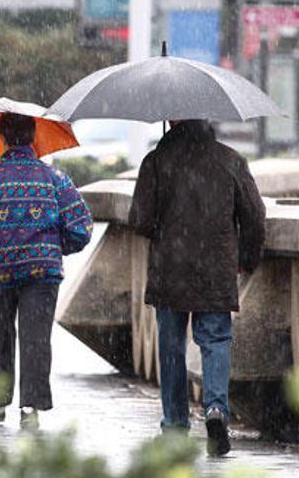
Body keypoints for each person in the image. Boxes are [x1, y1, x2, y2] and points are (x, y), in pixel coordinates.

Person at [128, 119, 265, 456]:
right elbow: (254, 216)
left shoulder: (156, 161)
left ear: (171, 120)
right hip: (215, 269)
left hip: (169, 270)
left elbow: (141, 221)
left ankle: (175, 425)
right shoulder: (231, 160)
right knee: (215, 340)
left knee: (171, 347)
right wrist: (246, 258)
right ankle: (216, 409)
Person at [0, 113, 93, 430]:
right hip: (42, 270)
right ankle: (31, 406)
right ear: (33, 137)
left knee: (1, 327)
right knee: (35, 336)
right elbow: (81, 228)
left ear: (2, 137)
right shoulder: (55, 178)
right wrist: (56, 246)